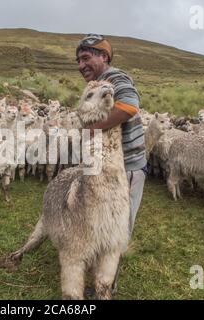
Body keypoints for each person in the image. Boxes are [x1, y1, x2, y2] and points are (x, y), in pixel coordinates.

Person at [76, 34, 147, 294]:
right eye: (78, 60)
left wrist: (93, 129)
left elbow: (129, 106)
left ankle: (106, 285)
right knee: (103, 221)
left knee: (117, 227)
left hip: (126, 165)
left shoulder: (115, 78)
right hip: (108, 165)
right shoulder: (101, 83)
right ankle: (100, 274)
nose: (81, 65)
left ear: (103, 57)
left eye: (86, 58)